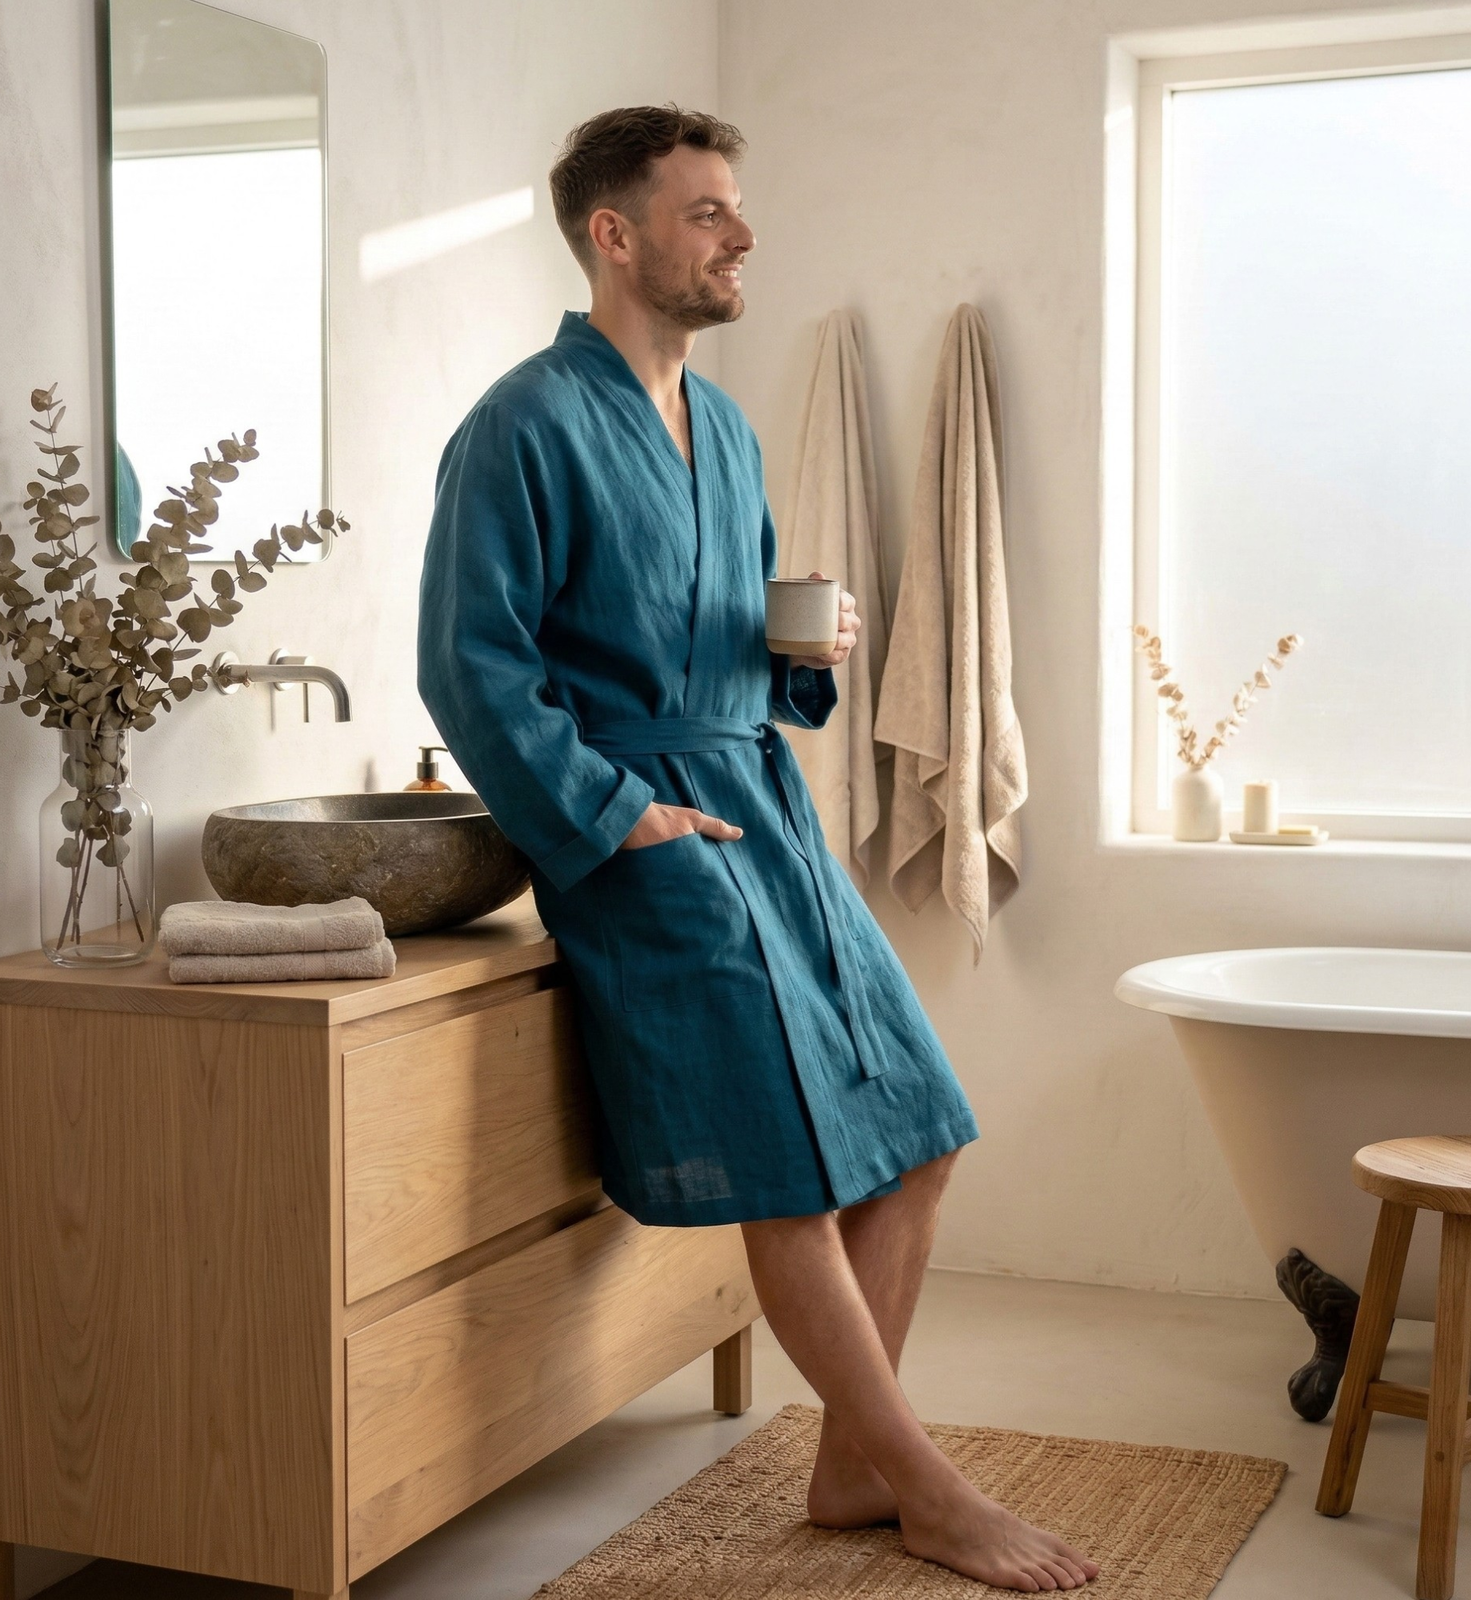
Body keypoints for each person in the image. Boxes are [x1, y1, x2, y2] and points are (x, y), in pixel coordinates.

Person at [416, 104, 1097, 1594]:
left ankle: (854, 1462)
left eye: (735, 207)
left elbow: (728, 635)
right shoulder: (522, 425)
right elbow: (471, 665)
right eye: (708, 211)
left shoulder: (721, 429)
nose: (742, 234)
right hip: (645, 832)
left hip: (765, 806)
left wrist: (804, 644)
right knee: (788, 1166)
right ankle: (925, 1484)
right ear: (616, 235)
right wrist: (618, 816)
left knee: (920, 1130)